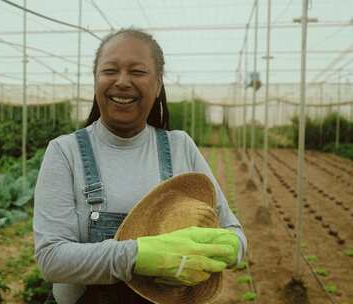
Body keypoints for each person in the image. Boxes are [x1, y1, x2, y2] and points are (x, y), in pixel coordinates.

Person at [33, 28, 247, 304]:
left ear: (157, 85)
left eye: (137, 72)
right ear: (96, 80)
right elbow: (52, 259)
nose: (122, 82)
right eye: (110, 70)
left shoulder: (180, 147)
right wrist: (137, 256)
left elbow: (235, 234)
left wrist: (228, 247)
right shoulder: (65, 151)